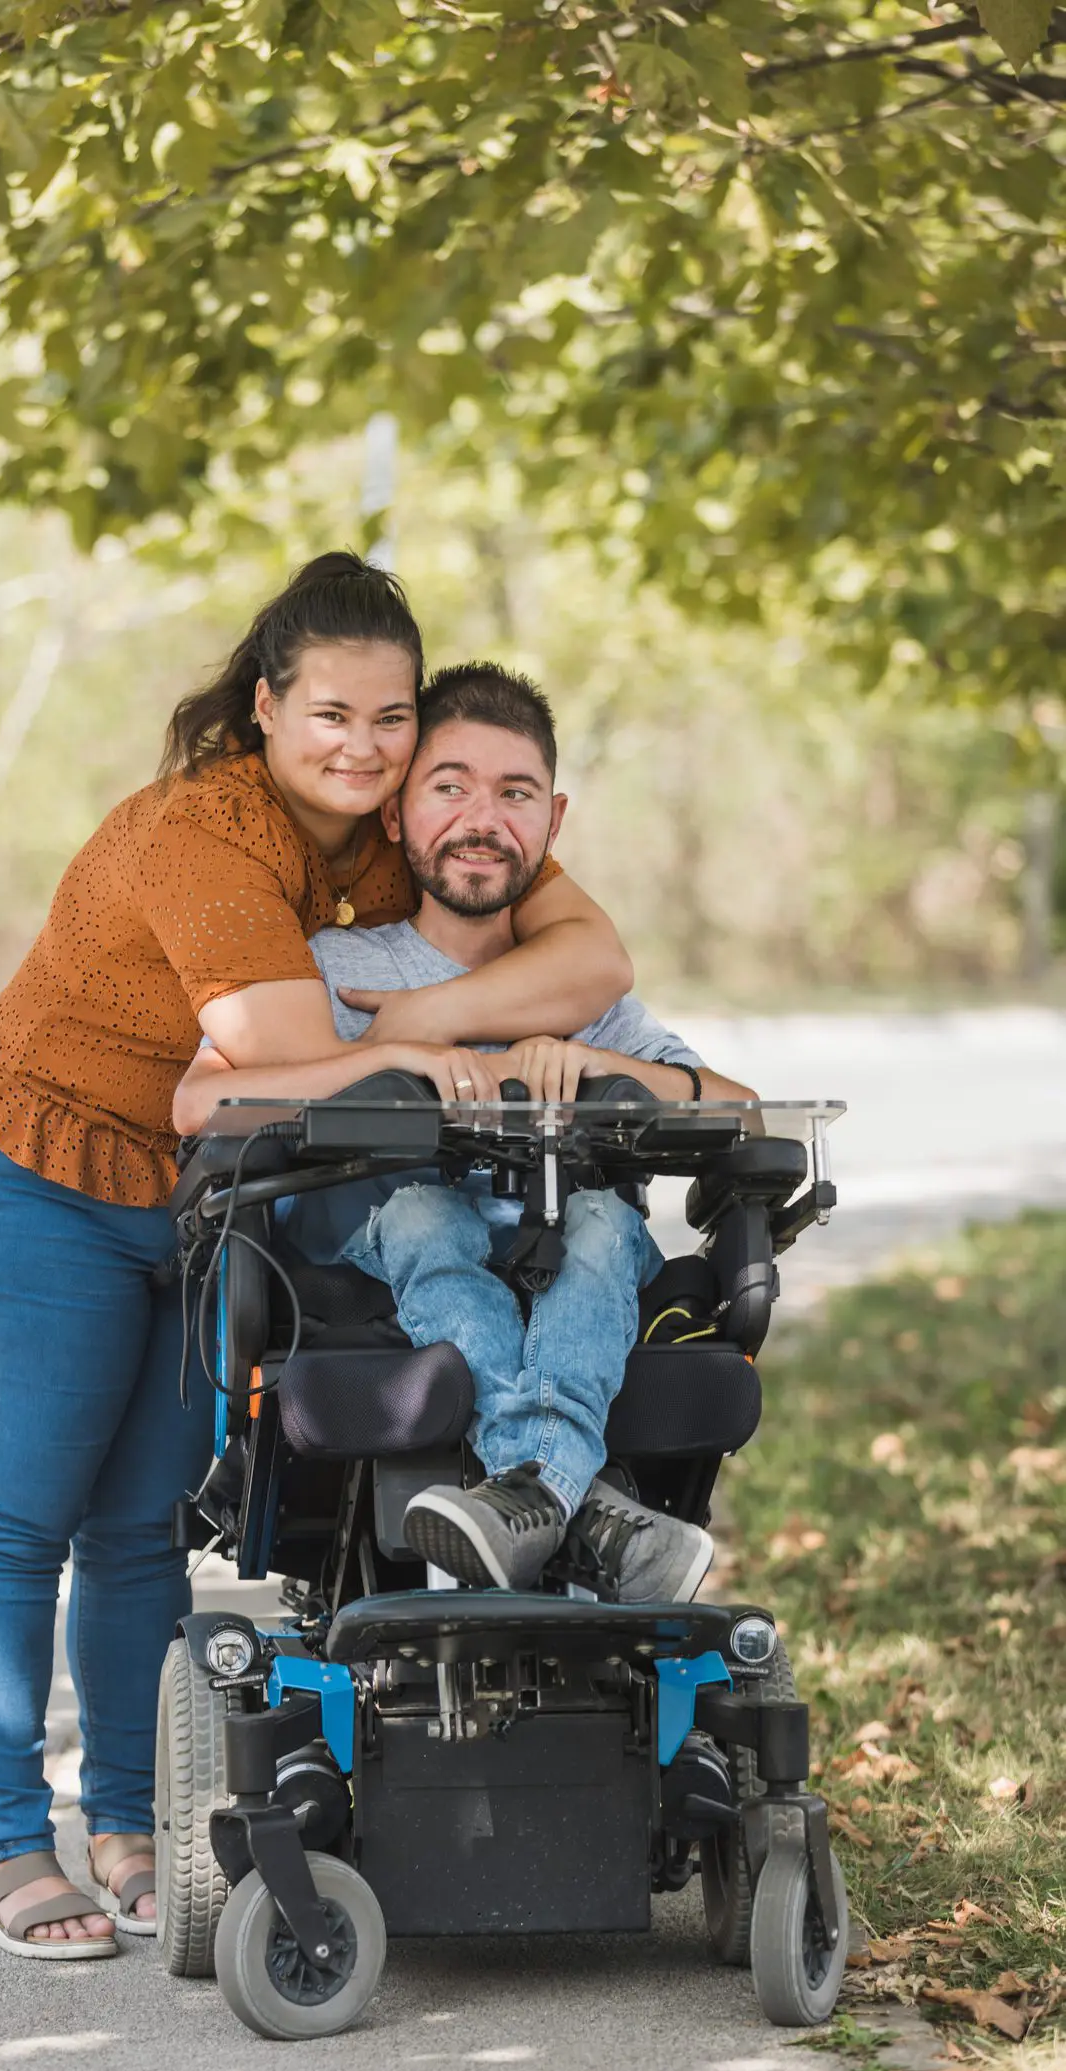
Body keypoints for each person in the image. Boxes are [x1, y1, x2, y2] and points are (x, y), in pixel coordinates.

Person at [0, 558, 636, 1957]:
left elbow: (589, 962)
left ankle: (124, 1827)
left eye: (390, 720)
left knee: (143, 1530)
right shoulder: (199, 836)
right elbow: (274, 1050)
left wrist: (396, 1001)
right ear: (264, 704)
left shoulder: (387, 836)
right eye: (331, 714)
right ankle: (8, 1845)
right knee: (26, 1513)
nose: (365, 749)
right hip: (39, 1167)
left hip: (202, 1188)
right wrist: (421, 1044)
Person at [173, 662, 757, 1598]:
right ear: (397, 815)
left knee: (607, 1225)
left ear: (552, 823)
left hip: (561, 1247)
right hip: (378, 1255)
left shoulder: (577, 993)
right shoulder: (335, 965)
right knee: (423, 1216)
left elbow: (742, 1108)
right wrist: (386, 1061)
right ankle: (579, 1499)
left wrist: (597, 1066)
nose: (483, 819)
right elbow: (199, 1105)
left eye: (514, 793)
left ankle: (527, 1494)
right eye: (451, 788)